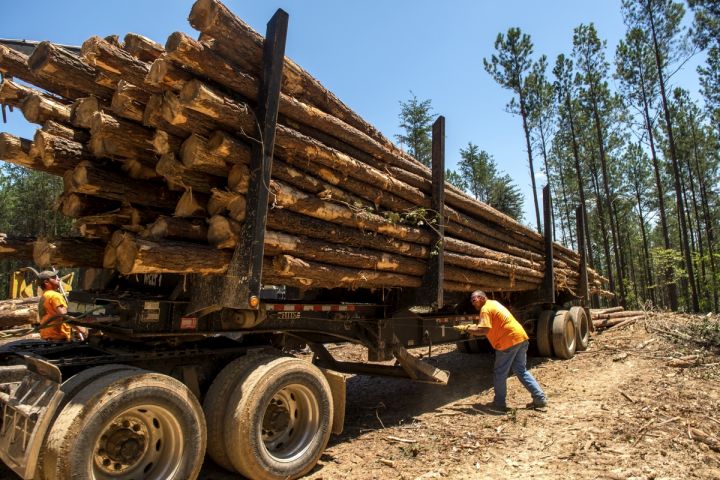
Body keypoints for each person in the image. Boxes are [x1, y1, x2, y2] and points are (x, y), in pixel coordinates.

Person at [468, 290, 547, 411]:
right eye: (472, 301)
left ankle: (499, 404)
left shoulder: (485, 309)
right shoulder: (493, 303)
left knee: (500, 373)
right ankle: (539, 399)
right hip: (520, 337)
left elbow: (483, 330)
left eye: (475, 300)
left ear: (482, 298)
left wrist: (468, 329)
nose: (473, 303)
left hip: (508, 341)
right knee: (521, 370)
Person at [37, 270, 85, 341]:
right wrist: (82, 330)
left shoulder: (44, 296)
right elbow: (65, 317)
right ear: (46, 282)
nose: (58, 279)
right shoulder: (55, 296)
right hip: (58, 338)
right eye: (54, 278)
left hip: (47, 336)